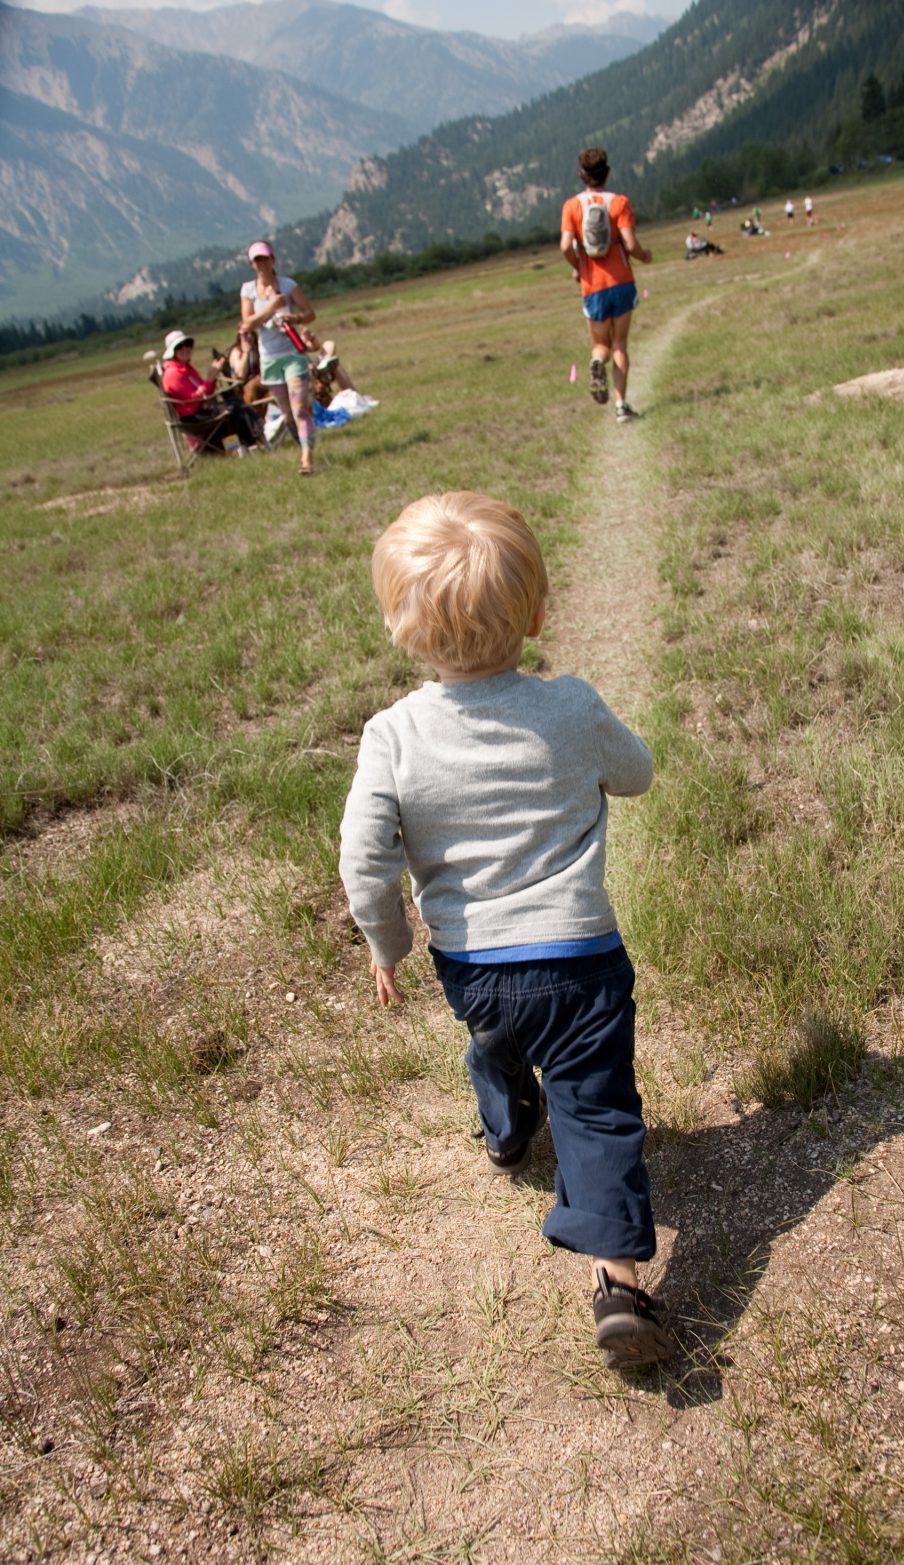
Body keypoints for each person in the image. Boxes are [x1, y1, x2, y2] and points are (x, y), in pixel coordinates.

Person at [339, 492, 673, 1371]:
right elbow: (635, 774)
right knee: (596, 1113)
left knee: (495, 1035)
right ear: (534, 613)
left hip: (474, 965)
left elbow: (364, 861)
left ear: (397, 628)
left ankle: (504, 1124)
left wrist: (387, 945)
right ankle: (618, 1284)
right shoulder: (567, 706)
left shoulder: (393, 737)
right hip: (580, 959)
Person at [560, 146, 653, 425]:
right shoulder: (619, 202)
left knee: (600, 344)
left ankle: (597, 362)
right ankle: (622, 406)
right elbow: (631, 244)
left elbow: (565, 246)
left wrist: (579, 267)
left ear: (581, 175)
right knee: (620, 345)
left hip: (593, 286)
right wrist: (645, 256)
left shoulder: (572, 206)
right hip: (622, 281)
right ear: (607, 172)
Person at [239, 241, 317, 475]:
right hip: (269, 359)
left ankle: (307, 458)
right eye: (257, 260)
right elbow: (248, 323)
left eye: (264, 259)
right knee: (287, 413)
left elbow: (310, 313)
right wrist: (271, 307)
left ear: (273, 260)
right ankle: (304, 442)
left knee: (300, 408)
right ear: (252, 264)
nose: (261, 264)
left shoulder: (288, 285)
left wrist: (294, 319)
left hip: (292, 354)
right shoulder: (248, 291)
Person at [160, 329, 259, 455]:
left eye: (188, 344)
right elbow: (194, 399)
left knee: (233, 403)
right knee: (233, 406)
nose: (185, 349)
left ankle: (241, 444)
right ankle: (254, 437)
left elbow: (204, 392)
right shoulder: (173, 373)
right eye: (179, 347)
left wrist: (212, 378)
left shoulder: (187, 368)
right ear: (172, 352)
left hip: (201, 410)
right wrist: (210, 378)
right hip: (194, 417)